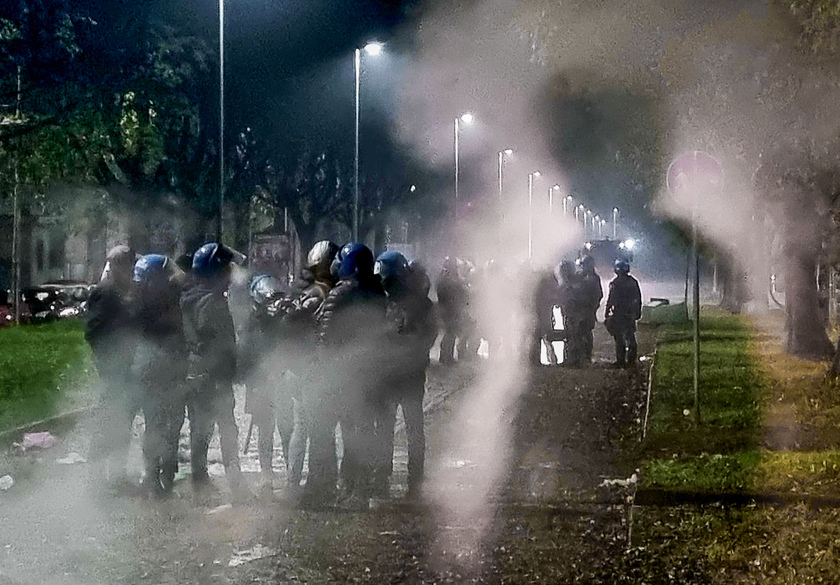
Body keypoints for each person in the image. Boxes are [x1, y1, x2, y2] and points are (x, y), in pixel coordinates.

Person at [315, 243, 387, 506]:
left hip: (344, 374)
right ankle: (358, 489)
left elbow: (326, 333)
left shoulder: (342, 292)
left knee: (346, 432)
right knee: (362, 432)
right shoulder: (377, 291)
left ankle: (350, 489)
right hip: (369, 373)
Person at [180, 242, 247, 501]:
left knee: (200, 431)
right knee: (227, 430)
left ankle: (200, 483)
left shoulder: (190, 296)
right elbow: (219, 344)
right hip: (214, 376)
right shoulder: (213, 302)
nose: (231, 274)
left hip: (195, 373)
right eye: (227, 269)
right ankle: (236, 485)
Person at [374, 252, 437, 498]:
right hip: (403, 373)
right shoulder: (417, 301)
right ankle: (411, 479)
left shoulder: (402, 302)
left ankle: (397, 478)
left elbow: (427, 335)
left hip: (400, 373)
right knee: (407, 427)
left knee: (394, 427)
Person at [131, 254, 187, 497]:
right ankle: (163, 476)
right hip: (165, 368)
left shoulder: (135, 301)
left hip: (145, 368)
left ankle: (154, 477)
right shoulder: (165, 300)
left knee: (155, 424)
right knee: (171, 422)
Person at [85, 245, 139, 491]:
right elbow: (94, 332)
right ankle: (95, 479)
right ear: (116, 265)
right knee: (107, 423)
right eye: (126, 264)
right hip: (113, 370)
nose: (130, 268)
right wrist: (108, 360)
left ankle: (117, 475)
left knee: (123, 424)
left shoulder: (125, 291)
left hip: (126, 369)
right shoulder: (104, 293)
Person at [240, 274, 298, 497]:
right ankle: (267, 475)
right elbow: (246, 354)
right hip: (260, 383)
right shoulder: (252, 323)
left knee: (285, 428)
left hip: (279, 379)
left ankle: (290, 475)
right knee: (266, 430)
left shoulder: (281, 320)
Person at [605, 259, 643, 367]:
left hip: (619, 313)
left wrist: (607, 312)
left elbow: (611, 299)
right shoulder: (633, 282)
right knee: (630, 337)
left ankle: (621, 360)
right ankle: (631, 360)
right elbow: (638, 298)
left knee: (620, 338)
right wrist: (637, 312)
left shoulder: (615, 283)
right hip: (629, 313)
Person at [436, 257, 469, 364]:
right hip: (450, 309)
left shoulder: (444, 277)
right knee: (450, 333)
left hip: (448, 308)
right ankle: (446, 357)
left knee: (451, 333)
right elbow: (457, 291)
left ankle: (447, 356)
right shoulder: (449, 279)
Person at [532, 267, 561, 365]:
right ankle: (550, 359)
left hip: (542, 313)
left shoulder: (541, 283)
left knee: (543, 336)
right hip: (543, 312)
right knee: (543, 336)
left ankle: (548, 359)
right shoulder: (549, 282)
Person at [578, 255, 603, 364]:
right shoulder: (579, 276)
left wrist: (593, 306)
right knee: (578, 333)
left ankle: (587, 356)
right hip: (580, 310)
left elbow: (598, 294)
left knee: (586, 333)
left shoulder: (593, 278)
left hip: (587, 310)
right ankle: (580, 356)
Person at [557, 260, 584, 367]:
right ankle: (572, 358)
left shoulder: (575, 283)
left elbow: (573, 298)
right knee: (571, 336)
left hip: (574, 313)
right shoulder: (572, 282)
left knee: (574, 336)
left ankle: (574, 359)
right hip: (570, 312)